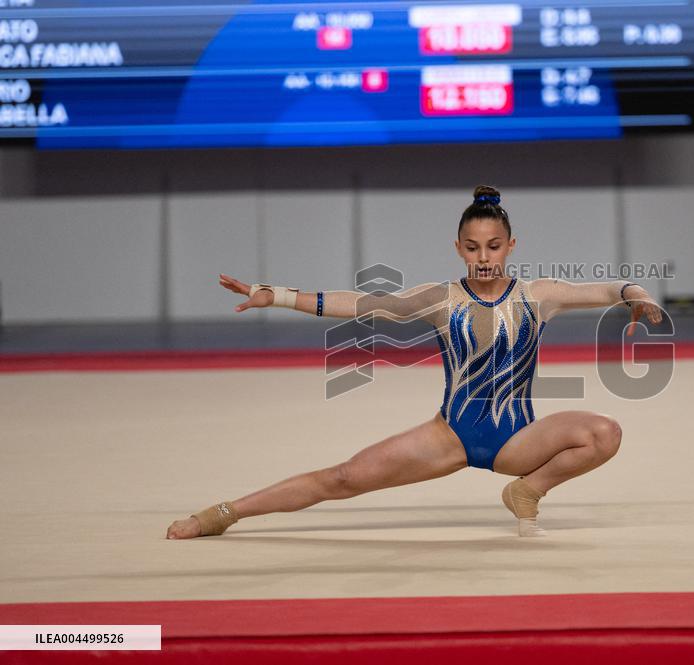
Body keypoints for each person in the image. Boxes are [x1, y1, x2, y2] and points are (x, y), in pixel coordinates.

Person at [166, 185, 663, 539]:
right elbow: (358, 304)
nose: (483, 257)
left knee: (604, 433)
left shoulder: (539, 296)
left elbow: (607, 288)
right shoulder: (439, 299)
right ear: (458, 249)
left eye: (493, 246)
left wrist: (638, 296)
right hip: (449, 434)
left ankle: (527, 491)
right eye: (472, 248)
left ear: (512, 246)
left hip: (518, 440)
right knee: (340, 479)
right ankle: (225, 513)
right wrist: (274, 296)